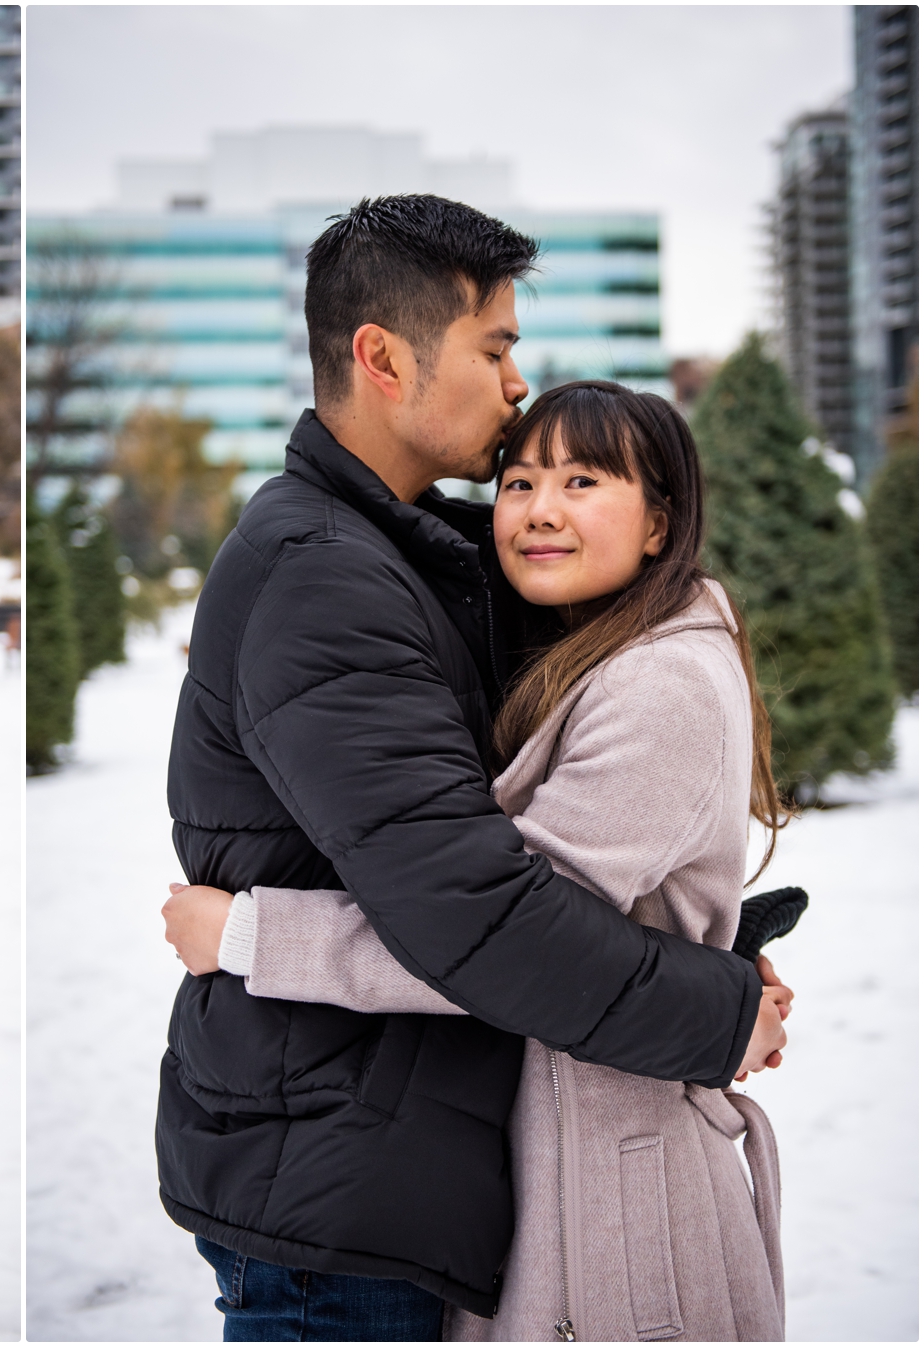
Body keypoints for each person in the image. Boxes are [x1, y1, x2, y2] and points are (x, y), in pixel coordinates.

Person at [152, 195, 787, 1341]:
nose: (513, 384)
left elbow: (572, 821)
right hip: (342, 1187)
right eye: (495, 347)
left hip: (384, 1153)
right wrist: (715, 1006)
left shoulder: (408, 556)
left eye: (582, 483)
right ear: (384, 359)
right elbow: (481, 913)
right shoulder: (328, 577)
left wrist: (705, 933)